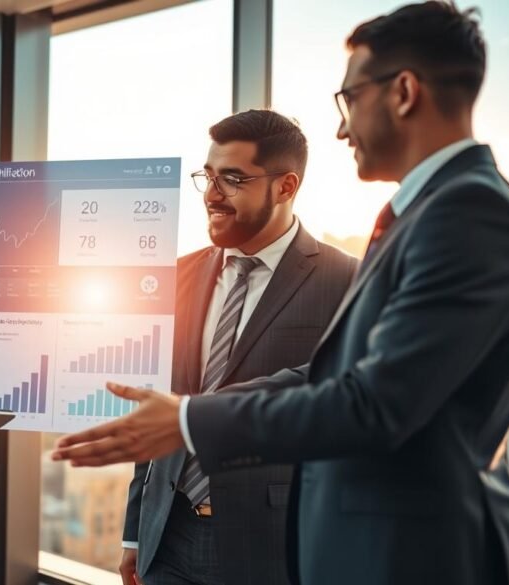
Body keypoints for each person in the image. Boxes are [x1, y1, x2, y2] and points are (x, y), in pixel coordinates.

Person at [53, 3, 509, 585]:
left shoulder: (468, 215)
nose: (342, 129)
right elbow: (333, 377)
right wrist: (185, 421)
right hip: (287, 543)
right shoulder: (432, 211)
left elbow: (371, 404)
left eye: (350, 99)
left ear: (404, 92)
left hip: (415, 556)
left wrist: (192, 419)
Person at [120, 110, 356, 585]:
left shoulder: (347, 280)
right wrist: (134, 534)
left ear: (285, 187)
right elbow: (158, 407)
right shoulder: (177, 275)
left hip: (273, 546)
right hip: (167, 534)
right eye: (208, 177)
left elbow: (344, 416)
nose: (211, 194)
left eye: (232, 179)